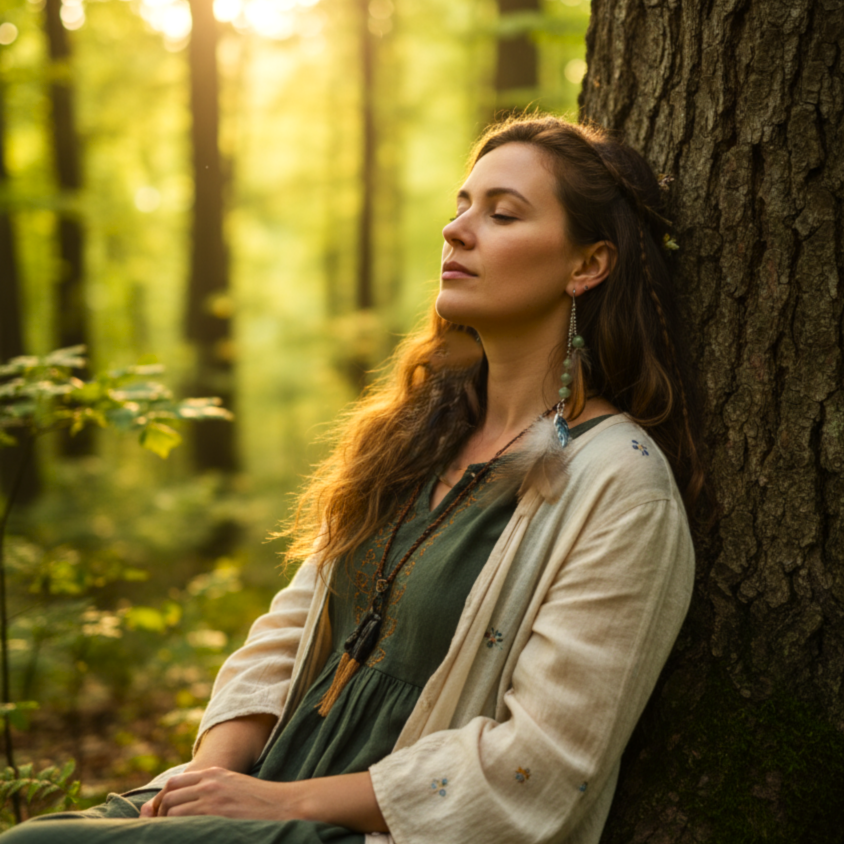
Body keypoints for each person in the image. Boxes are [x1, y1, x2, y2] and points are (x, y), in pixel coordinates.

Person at [2, 113, 703, 844]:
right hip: (259, 785)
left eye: (502, 214)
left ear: (588, 265)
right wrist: (206, 782)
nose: (456, 231)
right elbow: (291, 628)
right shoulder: (417, 437)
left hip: (373, 828)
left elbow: (541, 766)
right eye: (461, 206)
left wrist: (281, 806)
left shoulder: (621, 487)